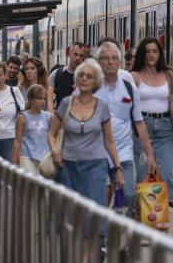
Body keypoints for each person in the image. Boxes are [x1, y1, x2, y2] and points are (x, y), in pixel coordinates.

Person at [47, 58, 125, 206]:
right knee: (69, 213)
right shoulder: (65, 104)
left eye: (89, 76)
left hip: (95, 165)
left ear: (96, 81)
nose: (84, 78)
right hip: (67, 165)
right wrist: (55, 151)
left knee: (95, 212)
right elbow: (51, 133)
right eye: (81, 75)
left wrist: (117, 168)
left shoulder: (102, 107)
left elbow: (109, 141)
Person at [95, 40, 156, 215]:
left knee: (128, 195)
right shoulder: (90, 85)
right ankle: (101, 235)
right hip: (96, 153)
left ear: (120, 62)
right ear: (98, 61)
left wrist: (149, 155)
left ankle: (123, 236)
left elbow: (138, 122)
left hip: (123, 153)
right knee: (102, 197)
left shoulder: (128, 86)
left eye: (114, 58)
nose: (110, 62)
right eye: (105, 58)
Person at [130, 37, 173, 197]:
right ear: (142, 54)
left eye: (155, 51)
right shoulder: (134, 76)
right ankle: (143, 211)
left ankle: (161, 209)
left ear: (160, 54)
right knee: (142, 174)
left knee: (166, 172)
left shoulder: (170, 75)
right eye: (147, 51)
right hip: (142, 127)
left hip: (165, 126)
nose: (151, 55)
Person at [12, 84, 50, 174]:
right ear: (31, 100)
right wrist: (14, 162)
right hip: (26, 157)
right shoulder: (22, 117)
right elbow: (17, 140)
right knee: (29, 186)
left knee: (43, 187)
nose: (43, 101)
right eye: (39, 98)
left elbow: (52, 137)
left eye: (44, 98)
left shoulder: (48, 116)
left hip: (44, 158)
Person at [50, 42, 87, 112]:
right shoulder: (57, 74)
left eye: (81, 56)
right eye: (75, 54)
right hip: (61, 118)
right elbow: (48, 98)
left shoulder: (87, 77)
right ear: (70, 53)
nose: (78, 58)